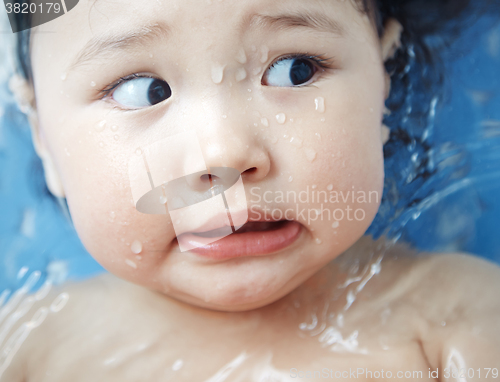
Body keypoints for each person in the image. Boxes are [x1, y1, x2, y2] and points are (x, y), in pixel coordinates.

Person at [2, 0, 500, 380]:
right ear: (43, 136)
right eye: (142, 89)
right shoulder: (28, 348)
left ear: (384, 80)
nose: (224, 155)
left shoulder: (455, 318)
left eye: (294, 69)